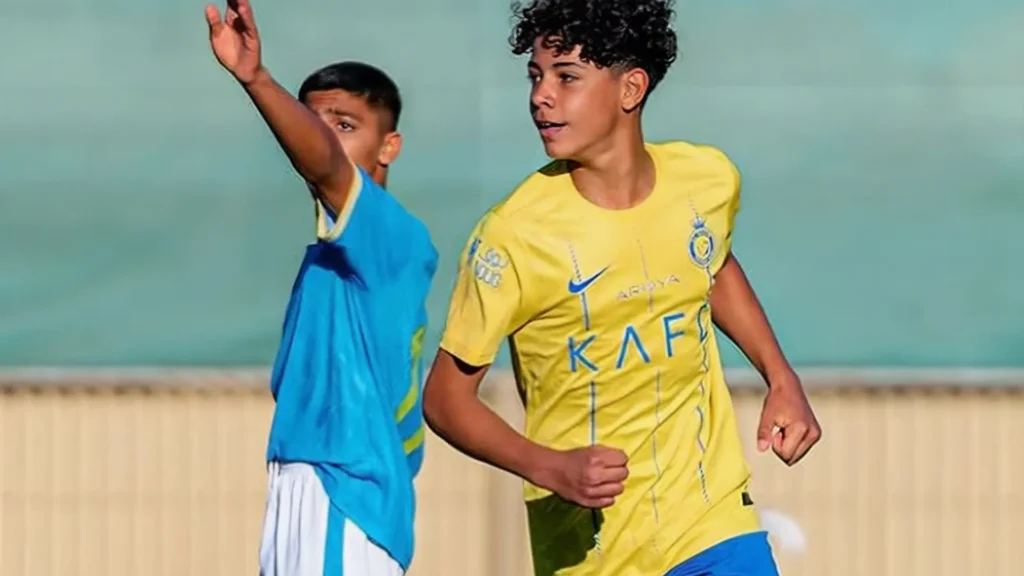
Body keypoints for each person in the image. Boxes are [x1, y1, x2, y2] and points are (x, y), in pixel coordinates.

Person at [422, 0, 821, 575]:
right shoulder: (511, 237)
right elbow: (445, 399)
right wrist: (550, 467)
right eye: (535, 76)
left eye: (566, 77)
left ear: (631, 88)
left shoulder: (706, 179)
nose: (540, 96)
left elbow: (711, 266)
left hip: (711, 519)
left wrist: (780, 377)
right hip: (593, 550)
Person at [205, 1, 437, 574]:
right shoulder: (339, 253)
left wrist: (256, 78)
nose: (324, 137)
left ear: (390, 147)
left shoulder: (387, 231)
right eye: (313, 122)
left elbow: (329, 166)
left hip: (341, 490)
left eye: (345, 124)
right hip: (317, 484)